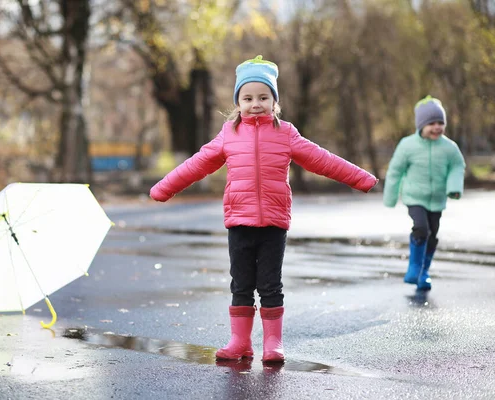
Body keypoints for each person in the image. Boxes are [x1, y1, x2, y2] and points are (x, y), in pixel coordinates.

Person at [149, 55, 378, 363]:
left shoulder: (286, 134)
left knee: (270, 285)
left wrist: (361, 178)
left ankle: (273, 343)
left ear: (274, 101)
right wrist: (164, 187)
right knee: (240, 284)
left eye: (262, 97)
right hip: (239, 221)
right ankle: (239, 342)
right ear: (238, 102)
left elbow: (322, 159)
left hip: (273, 222)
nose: (255, 103)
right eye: (247, 98)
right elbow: (198, 164)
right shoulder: (229, 134)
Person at [383, 95, 466, 291]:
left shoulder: (449, 147)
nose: (437, 127)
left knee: (433, 234)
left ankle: (423, 272)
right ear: (421, 125)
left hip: (437, 199)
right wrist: (391, 196)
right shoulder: (407, 145)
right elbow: (395, 170)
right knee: (421, 228)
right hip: (415, 198)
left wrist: (453, 188)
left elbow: (457, 166)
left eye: (440, 123)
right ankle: (414, 267)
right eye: (432, 123)